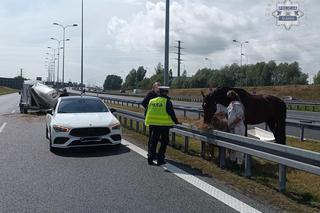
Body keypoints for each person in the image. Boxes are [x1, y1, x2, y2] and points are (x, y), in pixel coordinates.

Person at [145, 86, 179, 166]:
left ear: (159, 92)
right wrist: (176, 121)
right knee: (164, 142)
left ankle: (150, 158)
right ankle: (160, 159)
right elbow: (172, 114)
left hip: (154, 125)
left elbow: (147, 112)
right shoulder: (167, 102)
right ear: (166, 92)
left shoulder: (152, 101)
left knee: (153, 142)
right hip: (164, 126)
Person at [226, 90, 245, 165]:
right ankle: (232, 160)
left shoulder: (237, 104)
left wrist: (232, 124)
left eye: (228, 97)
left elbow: (240, 116)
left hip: (238, 128)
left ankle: (239, 163)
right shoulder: (231, 104)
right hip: (232, 128)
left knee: (239, 146)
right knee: (232, 146)